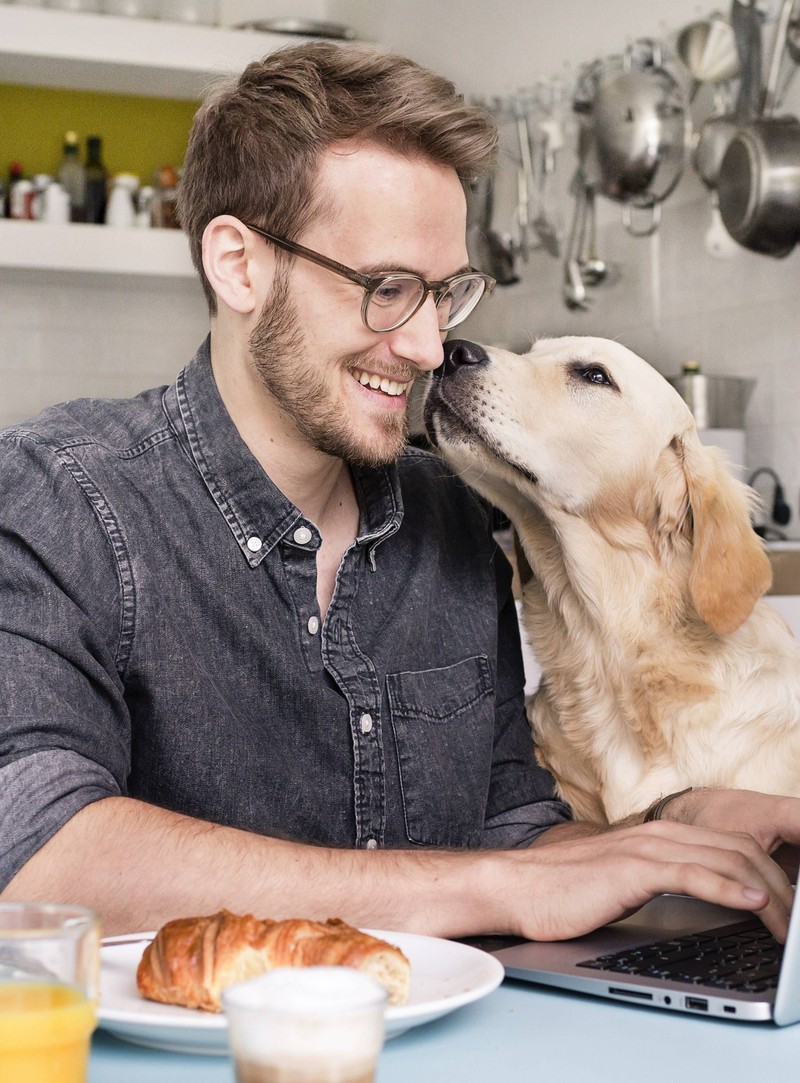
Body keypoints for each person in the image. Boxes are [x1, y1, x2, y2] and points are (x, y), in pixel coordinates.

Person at [1, 42, 798, 941]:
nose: (426, 348)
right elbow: (34, 854)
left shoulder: (452, 517)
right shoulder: (59, 495)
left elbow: (511, 825)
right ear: (239, 265)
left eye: (443, 293)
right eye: (386, 288)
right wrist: (486, 888)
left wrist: (671, 830)